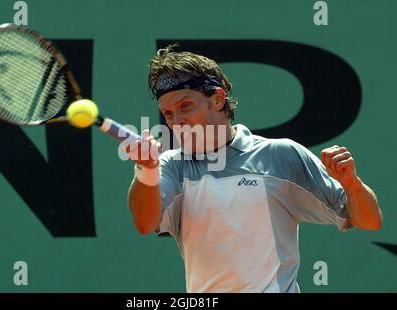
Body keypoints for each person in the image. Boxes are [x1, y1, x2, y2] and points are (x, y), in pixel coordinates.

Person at [125, 45, 383, 293]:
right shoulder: (172, 165)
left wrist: (352, 185)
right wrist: (146, 169)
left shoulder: (281, 155)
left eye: (185, 107)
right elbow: (145, 223)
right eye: (168, 114)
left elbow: (369, 221)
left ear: (217, 99)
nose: (177, 122)